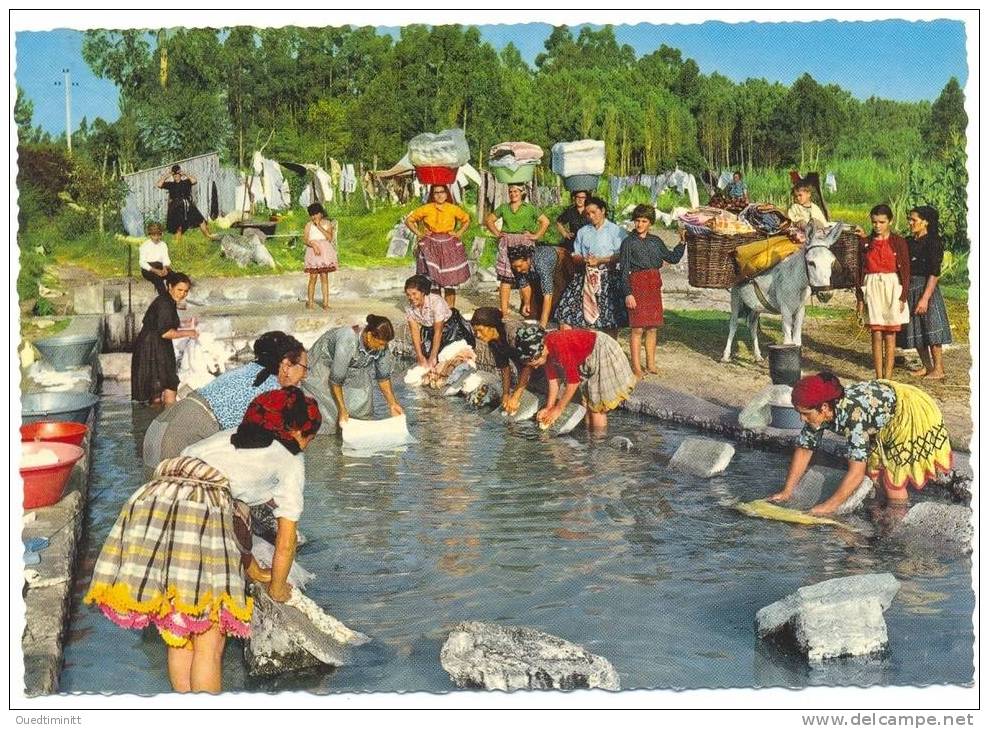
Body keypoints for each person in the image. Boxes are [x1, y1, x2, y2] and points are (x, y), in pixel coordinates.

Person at [84, 386, 322, 693]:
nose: (307, 447)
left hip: (153, 502)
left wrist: (254, 572)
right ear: (297, 431)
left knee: (179, 627)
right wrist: (276, 587)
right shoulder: (290, 458)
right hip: (200, 509)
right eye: (309, 438)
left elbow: (237, 527)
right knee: (210, 638)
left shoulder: (229, 437)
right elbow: (286, 539)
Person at [768, 372, 952, 516]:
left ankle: (896, 527)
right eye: (799, 413)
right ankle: (882, 513)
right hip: (878, 416)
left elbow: (855, 473)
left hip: (907, 413)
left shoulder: (853, 417)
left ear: (824, 407)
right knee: (875, 476)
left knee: (892, 480)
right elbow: (804, 449)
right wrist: (787, 491)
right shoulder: (819, 413)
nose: (801, 419)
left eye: (805, 414)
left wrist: (828, 507)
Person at [141, 331, 308, 467]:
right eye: (304, 368)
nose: (305, 374)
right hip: (186, 432)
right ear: (286, 365)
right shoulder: (273, 390)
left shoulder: (251, 369)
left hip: (163, 425)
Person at [514, 324, 636, 433]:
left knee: (597, 408)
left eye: (535, 363)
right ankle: (590, 439)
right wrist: (549, 407)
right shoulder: (546, 349)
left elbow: (573, 382)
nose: (535, 367)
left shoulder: (559, 345)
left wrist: (558, 409)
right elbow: (553, 380)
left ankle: (600, 447)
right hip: (585, 357)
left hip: (600, 349)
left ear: (542, 350)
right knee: (587, 404)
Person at [302, 314, 404, 433]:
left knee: (361, 409)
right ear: (369, 335)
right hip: (323, 364)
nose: (382, 348)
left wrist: (392, 404)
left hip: (356, 365)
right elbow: (336, 380)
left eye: (384, 345)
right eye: (380, 344)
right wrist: (342, 409)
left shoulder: (382, 346)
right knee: (329, 416)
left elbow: (383, 377)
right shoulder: (347, 339)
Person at [618, 204, 685, 377]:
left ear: (650, 223)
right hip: (637, 285)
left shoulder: (656, 241)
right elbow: (624, 270)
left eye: (644, 221)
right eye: (637, 221)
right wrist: (628, 293)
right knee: (637, 329)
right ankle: (636, 368)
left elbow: (672, 258)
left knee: (653, 328)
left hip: (653, 285)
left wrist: (682, 242)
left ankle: (651, 364)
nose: (639, 224)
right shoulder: (628, 243)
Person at [554, 196, 628, 338]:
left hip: (607, 278)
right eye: (588, 214)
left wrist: (600, 260)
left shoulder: (615, 231)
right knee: (565, 314)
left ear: (603, 211)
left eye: (594, 212)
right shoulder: (583, 232)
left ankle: (609, 352)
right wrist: (583, 260)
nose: (591, 216)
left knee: (608, 320)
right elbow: (575, 255)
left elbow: (621, 255)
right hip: (585, 275)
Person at [854, 204, 910, 379]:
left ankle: (888, 377)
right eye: (874, 222)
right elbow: (859, 270)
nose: (877, 226)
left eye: (881, 222)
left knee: (890, 333)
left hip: (892, 286)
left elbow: (906, 271)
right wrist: (860, 298)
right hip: (872, 286)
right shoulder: (865, 243)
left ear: (890, 222)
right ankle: (878, 376)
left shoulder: (899, 242)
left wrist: (903, 296)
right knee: (876, 332)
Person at [899, 205, 952, 380]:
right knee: (916, 330)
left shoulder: (933, 242)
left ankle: (939, 369)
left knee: (932, 329)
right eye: (910, 219)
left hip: (927, 288)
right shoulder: (908, 242)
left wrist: (925, 298)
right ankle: (927, 366)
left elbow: (934, 273)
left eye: (913, 220)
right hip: (911, 288)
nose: (910, 223)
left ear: (925, 222)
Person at [131, 272, 198, 406]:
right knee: (167, 383)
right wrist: (189, 332)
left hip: (151, 345)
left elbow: (163, 323)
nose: (182, 294)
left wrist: (184, 324)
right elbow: (166, 332)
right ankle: (169, 416)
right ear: (169, 286)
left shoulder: (168, 300)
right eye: (179, 290)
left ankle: (158, 418)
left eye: (186, 291)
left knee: (157, 389)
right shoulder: (165, 304)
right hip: (153, 347)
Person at [484, 183, 550, 317]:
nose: (513, 194)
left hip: (524, 241)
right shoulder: (504, 207)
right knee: (506, 279)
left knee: (523, 276)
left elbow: (545, 221)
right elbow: (489, 219)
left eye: (516, 191)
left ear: (521, 193)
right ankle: (504, 312)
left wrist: (536, 235)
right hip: (507, 241)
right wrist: (497, 233)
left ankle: (526, 307)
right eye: (511, 192)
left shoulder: (530, 208)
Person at [404, 184, 471, 308]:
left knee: (450, 281)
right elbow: (409, 220)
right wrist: (419, 233)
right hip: (430, 245)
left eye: (442, 192)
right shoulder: (426, 208)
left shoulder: (452, 208)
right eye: (436, 192)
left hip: (449, 245)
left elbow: (466, 219)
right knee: (433, 281)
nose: (440, 195)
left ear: (447, 194)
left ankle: (450, 313)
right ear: (432, 195)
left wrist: (459, 233)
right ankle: (437, 311)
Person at [404, 274, 475, 369]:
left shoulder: (436, 302)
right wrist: (419, 356)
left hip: (450, 331)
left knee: (446, 360)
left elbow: (438, 332)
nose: (411, 298)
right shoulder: (410, 308)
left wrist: (433, 357)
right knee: (426, 363)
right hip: (430, 331)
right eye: (408, 295)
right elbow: (415, 332)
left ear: (423, 292)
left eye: (414, 294)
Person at [470, 307, 529, 414]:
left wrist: (516, 396)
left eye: (480, 330)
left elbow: (528, 365)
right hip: (524, 364)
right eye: (475, 331)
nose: (477, 335)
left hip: (536, 364)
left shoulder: (513, 333)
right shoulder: (493, 341)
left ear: (492, 327)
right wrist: (505, 394)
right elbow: (504, 367)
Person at [507, 244, 574, 328]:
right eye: (515, 267)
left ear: (527, 260)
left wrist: (542, 325)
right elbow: (524, 285)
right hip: (536, 271)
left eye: (520, 266)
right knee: (530, 312)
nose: (518, 270)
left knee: (555, 300)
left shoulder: (542, 264)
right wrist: (527, 303)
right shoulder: (516, 267)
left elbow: (548, 295)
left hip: (559, 263)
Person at [157, 164, 213, 243]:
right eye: (174, 174)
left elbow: (194, 180)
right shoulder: (170, 184)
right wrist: (167, 175)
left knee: (201, 221)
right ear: (173, 176)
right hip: (176, 207)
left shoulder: (186, 182)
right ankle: (178, 246)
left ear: (180, 174)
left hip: (188, 205)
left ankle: (209, 237)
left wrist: (185, 173)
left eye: (178, 174)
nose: (176, 176)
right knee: (178, 227)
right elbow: (159, 184)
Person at [303, 203, 338, 310]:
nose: (314, 217)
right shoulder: (308, 225)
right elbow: (305, 240)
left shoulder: (327, 223)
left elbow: (329, 237)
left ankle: (326, 303)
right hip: (313, 253)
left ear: (321, 214)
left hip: (325, 254)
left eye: (316, 214)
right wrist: (313, 244)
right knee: (313, 277)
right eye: (312, 215)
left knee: (324, 276)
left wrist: (319, 226)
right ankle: (310, 302)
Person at [139, 222, 171, 297]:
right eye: (154, 235)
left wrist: (165, 268)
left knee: (173, 276)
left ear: (161, 234)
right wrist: (156, 271)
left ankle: (175, 297)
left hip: (160, 266)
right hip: (148, 269)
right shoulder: (144, 245)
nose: (156, 237)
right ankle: (164, 299)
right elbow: (142, 263)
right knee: (158, 279)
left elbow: (166, 259)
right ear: (150, 235)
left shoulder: (163, 244)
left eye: (158, 235)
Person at [555, 189, 592, 254]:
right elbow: (559, 222)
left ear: (586, 199)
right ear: (574, 198)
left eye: (583, 197)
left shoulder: (590, 211)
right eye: (578, 197)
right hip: (573, 243)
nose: (580, 200)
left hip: (589, 243)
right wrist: (565, 233)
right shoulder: (570, 211)